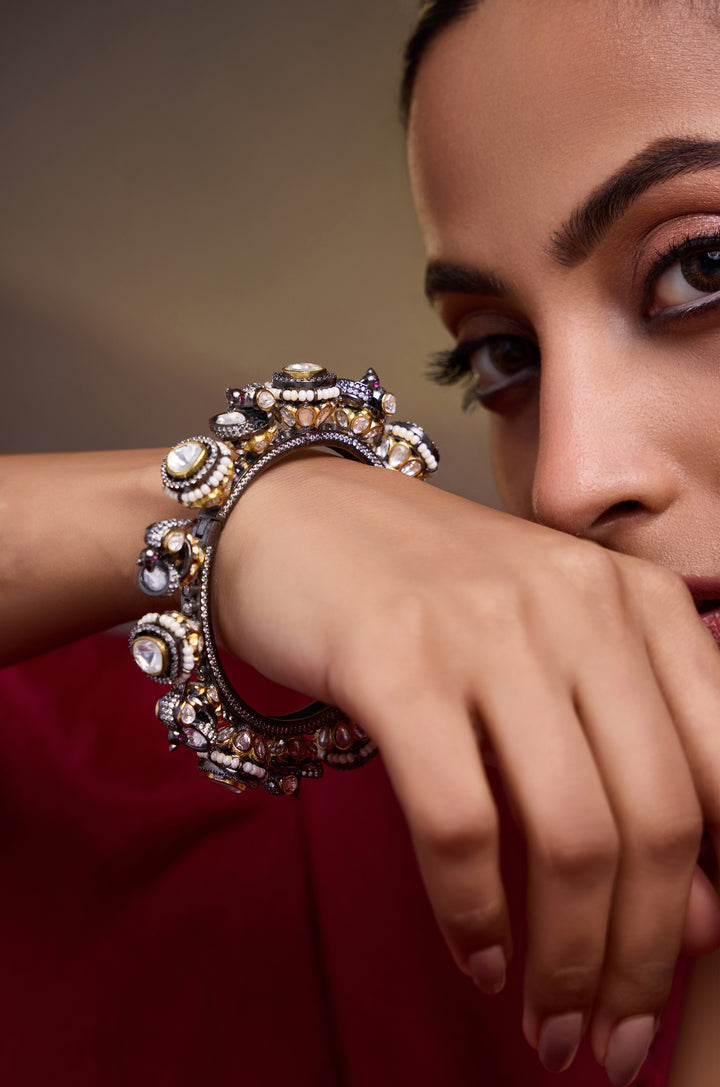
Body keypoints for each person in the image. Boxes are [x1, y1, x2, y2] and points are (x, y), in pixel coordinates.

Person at [1, 1, 719, 1084]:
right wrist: (224, 507)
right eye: (503, 358)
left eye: (702, 264)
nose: (567, 484)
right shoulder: (394, 846)